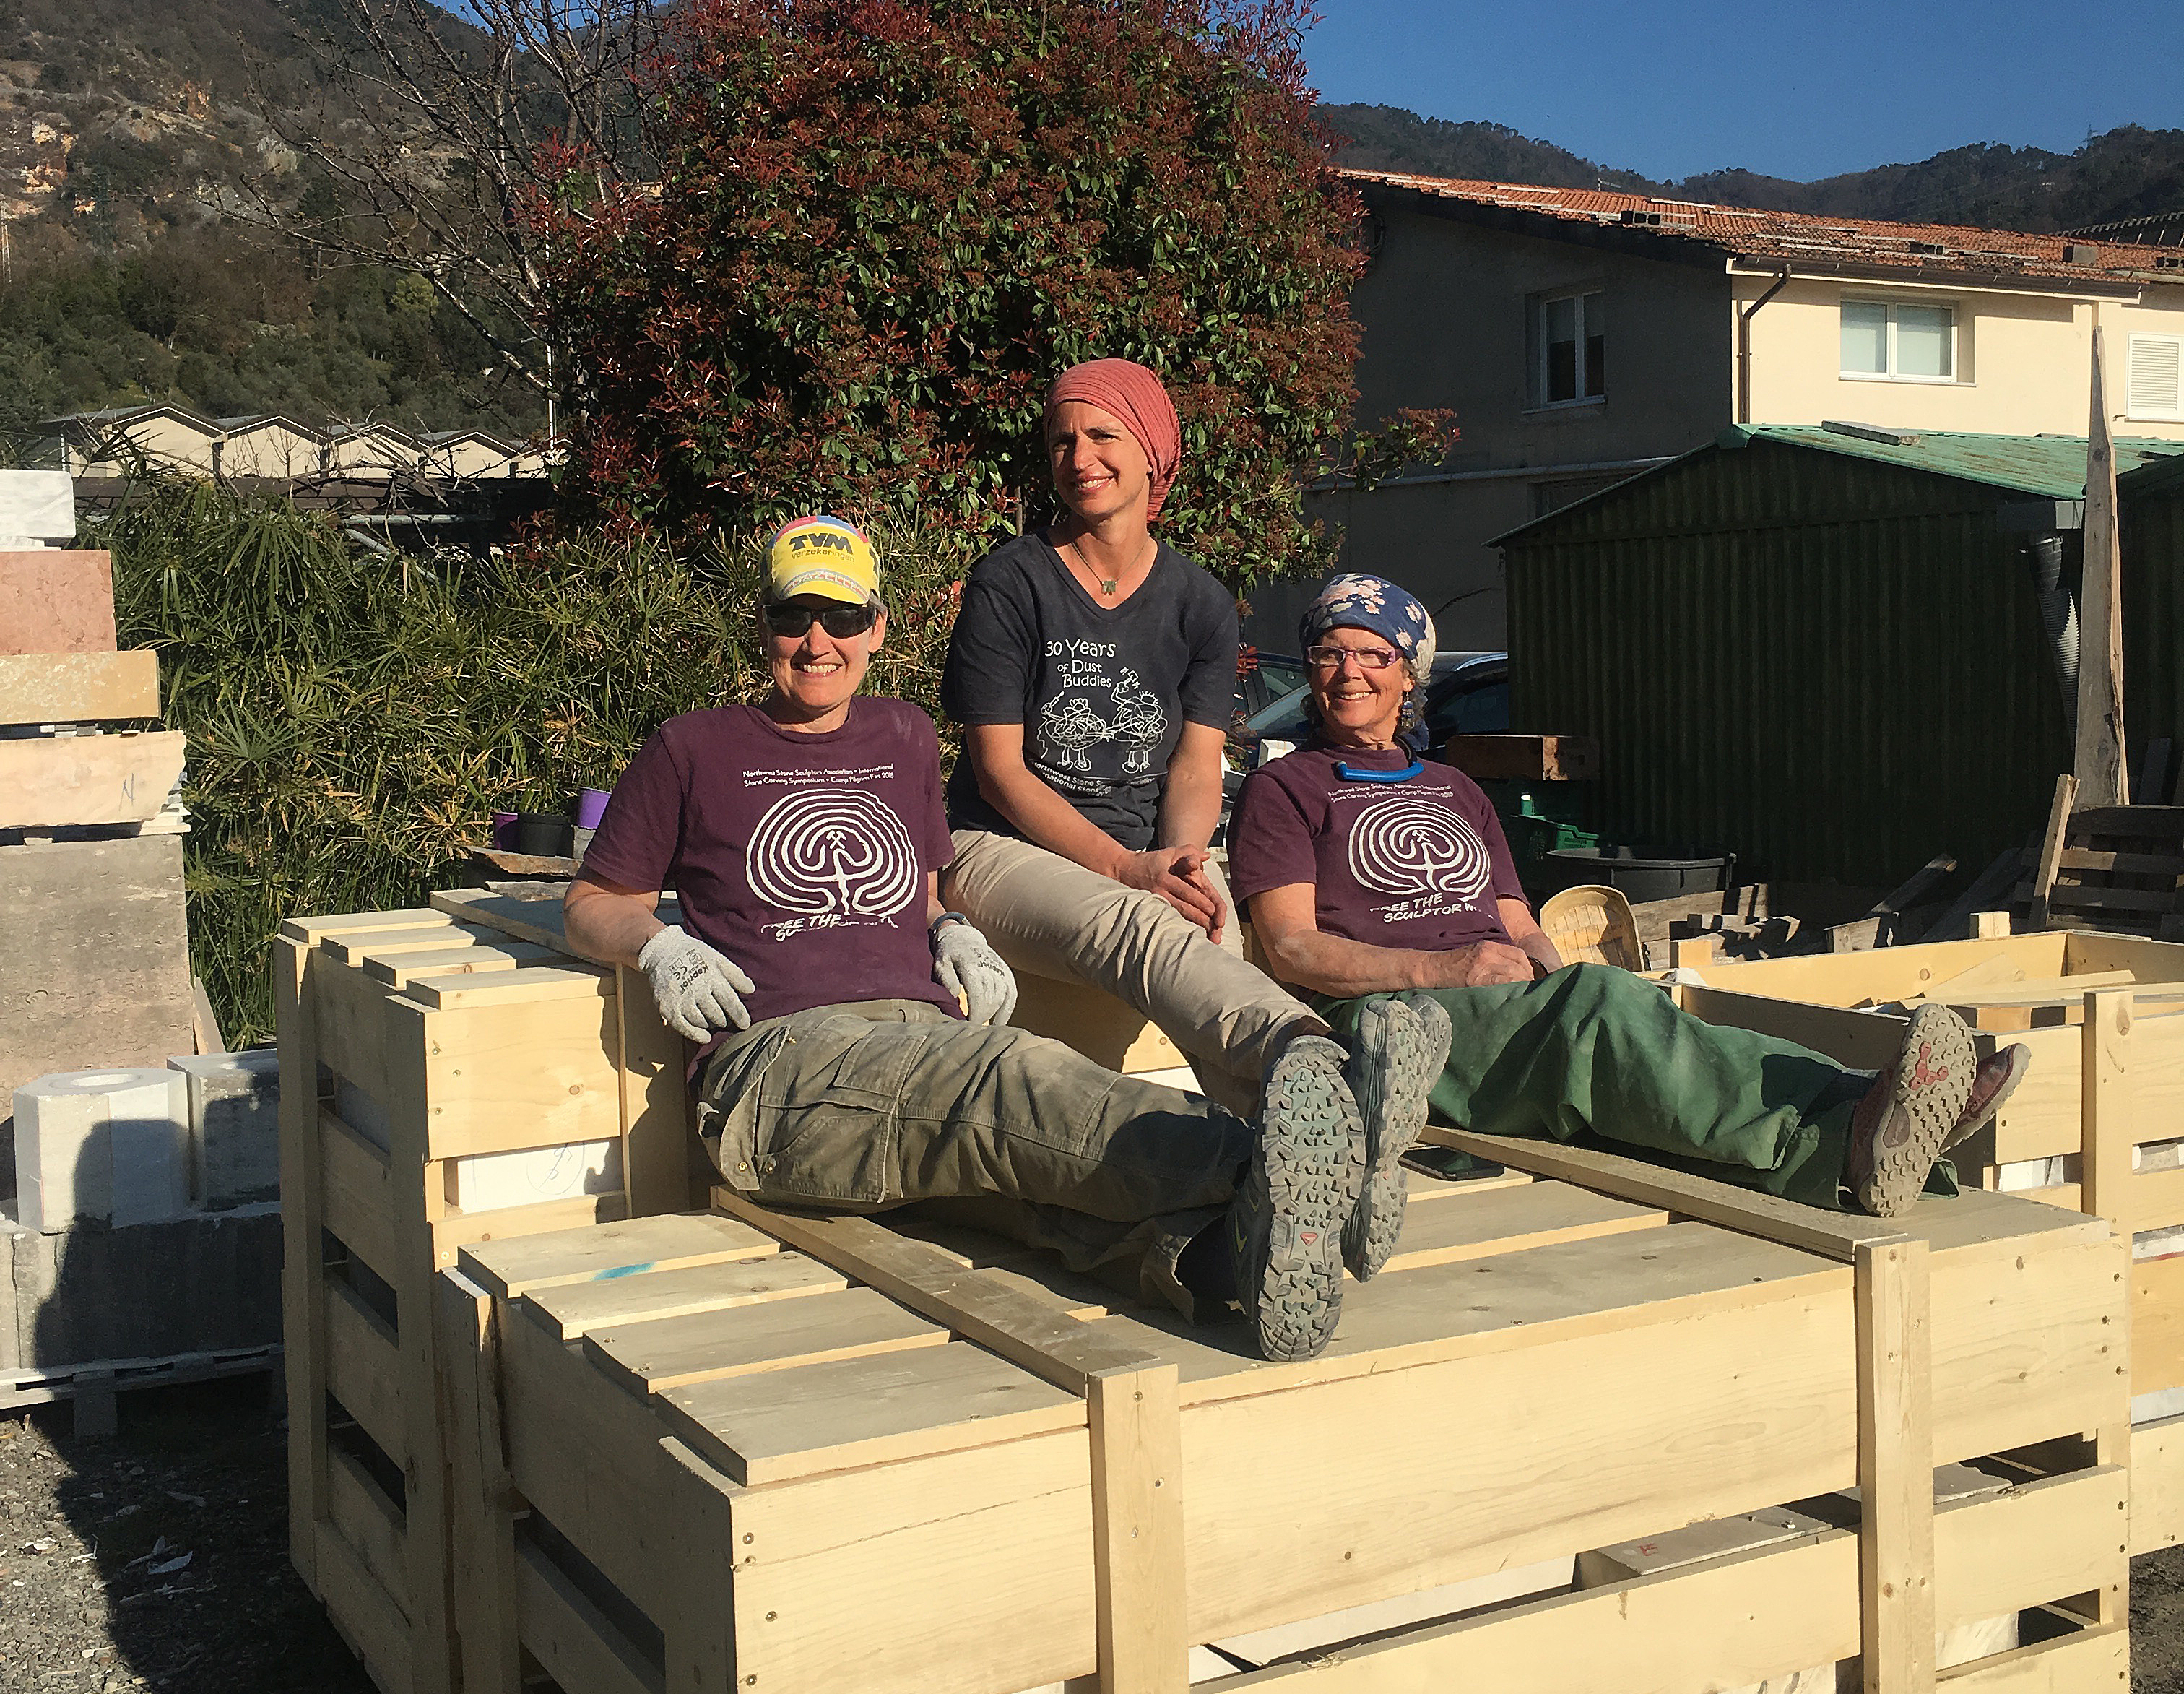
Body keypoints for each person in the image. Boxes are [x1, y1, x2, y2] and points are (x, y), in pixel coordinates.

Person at [560, 517, 1439, 1363]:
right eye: (794, 616)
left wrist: (948, 927)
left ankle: (1235, 1258)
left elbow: (924, 882)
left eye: (842, 616)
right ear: (763, 625)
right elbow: (592, 901)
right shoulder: (693, 747)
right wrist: (658, 948)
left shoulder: (902, 736)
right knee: (1009, 1078)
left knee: (1034, 1196)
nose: (817, 640)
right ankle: (1300, 1169)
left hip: (920, 1032)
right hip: (780, 1068)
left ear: (877, 629)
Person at [1227, 573, 2031, 1218]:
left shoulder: (1454, 788)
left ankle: (1868, 1112)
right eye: (1330, 653)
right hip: (1385, 1030)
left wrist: (1545, 975)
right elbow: (1295, 951)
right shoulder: (1286, 787)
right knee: (1598, 1012)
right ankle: (1857, 1127)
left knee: (1624, 1006)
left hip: (1500, 1007)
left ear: (1409, 674)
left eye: (1374, 654)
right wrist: (1448, 973)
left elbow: (1517, 923)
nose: (1349, 671)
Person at [939, 357, 1331, 1117]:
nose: (1080, 459)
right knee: (1137, 919)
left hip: (1143, 854)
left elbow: (1193, 766)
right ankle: (1308, 1062)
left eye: (1102, 435)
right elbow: (997, 772)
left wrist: (1181, 861)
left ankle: (1282, 1154)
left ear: (1152, 450)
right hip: (998, 850)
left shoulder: (1200, 602)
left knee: (1211, 920)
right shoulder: (1011, 584)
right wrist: (1127, 868)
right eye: (1061, 441)